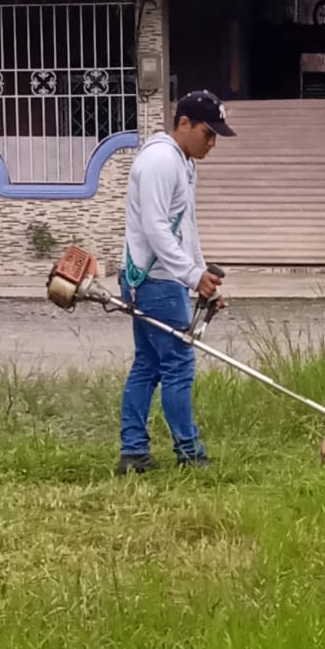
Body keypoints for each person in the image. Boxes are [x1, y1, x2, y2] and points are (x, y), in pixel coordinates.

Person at [117, 90, 234, 475]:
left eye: (216, 135)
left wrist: (202, 278)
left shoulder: (182, 161)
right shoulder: (160, 161)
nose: (212, 143)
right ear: (184, 123)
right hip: (155, 281)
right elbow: (155, 229)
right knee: (178, 366)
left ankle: (134, 452)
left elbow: (186, 228)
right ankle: (190, 453)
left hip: (161, 278)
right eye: (207, 133)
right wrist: (191, 275)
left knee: (149, 365)